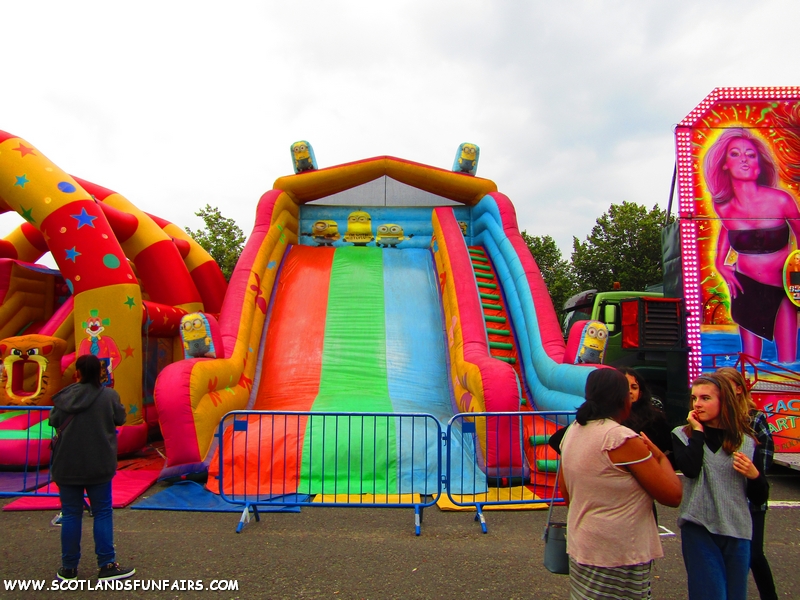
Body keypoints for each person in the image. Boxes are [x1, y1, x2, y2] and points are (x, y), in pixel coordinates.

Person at [558, 369, 682, 599]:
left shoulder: (572, 432)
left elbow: (567, 493)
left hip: (583, 546)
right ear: (622, 399)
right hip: (621, 552)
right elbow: (672, 495)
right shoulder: (621, 439)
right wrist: (661, 457)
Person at [704, 129, 800, 363]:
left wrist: (796, 277)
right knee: (750, 363)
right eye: (735, 154)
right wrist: (720, 264)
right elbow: (727, 231)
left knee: (788, 363)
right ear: (724, 164)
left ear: (759, 163)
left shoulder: (782, 201)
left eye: (751, 154)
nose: (744, 158)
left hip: (782, 288)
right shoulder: (724, 208)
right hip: (745, 286)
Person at [672, 373, 769, 600]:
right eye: (694, 398)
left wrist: (754, 476)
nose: (697, 404)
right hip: (699, 527)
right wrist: (697, 431)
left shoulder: (746, 442)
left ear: (723, 401)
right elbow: (690, 469)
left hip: (737, 531)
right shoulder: (682, 435)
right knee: (711, 595)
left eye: (705, 398)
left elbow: (759, 497)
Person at [49, 354, 135, 581]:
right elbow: (121, 418)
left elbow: (54, 421)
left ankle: (68, 568)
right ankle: (107, 564)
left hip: (67, 464)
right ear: (101, 372)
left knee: (70, 514)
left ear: (77, 373)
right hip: (98, 464)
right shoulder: (108, 396)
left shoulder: (64, 397)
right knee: (102, 512)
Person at [716, 367, 777, 600]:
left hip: (751, 499)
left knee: (753, 554)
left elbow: (765, 460)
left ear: (739, 389)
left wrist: (752, 472)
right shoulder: (715, 417)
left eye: (725, 386)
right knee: (726, 552)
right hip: (725, 498)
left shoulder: (754, 418)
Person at [617, 366, 672, 459]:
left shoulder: (655, 418)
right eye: (625, 387)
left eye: (634, 387)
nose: (629, 391)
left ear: (640, 393)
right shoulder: (607, 419)